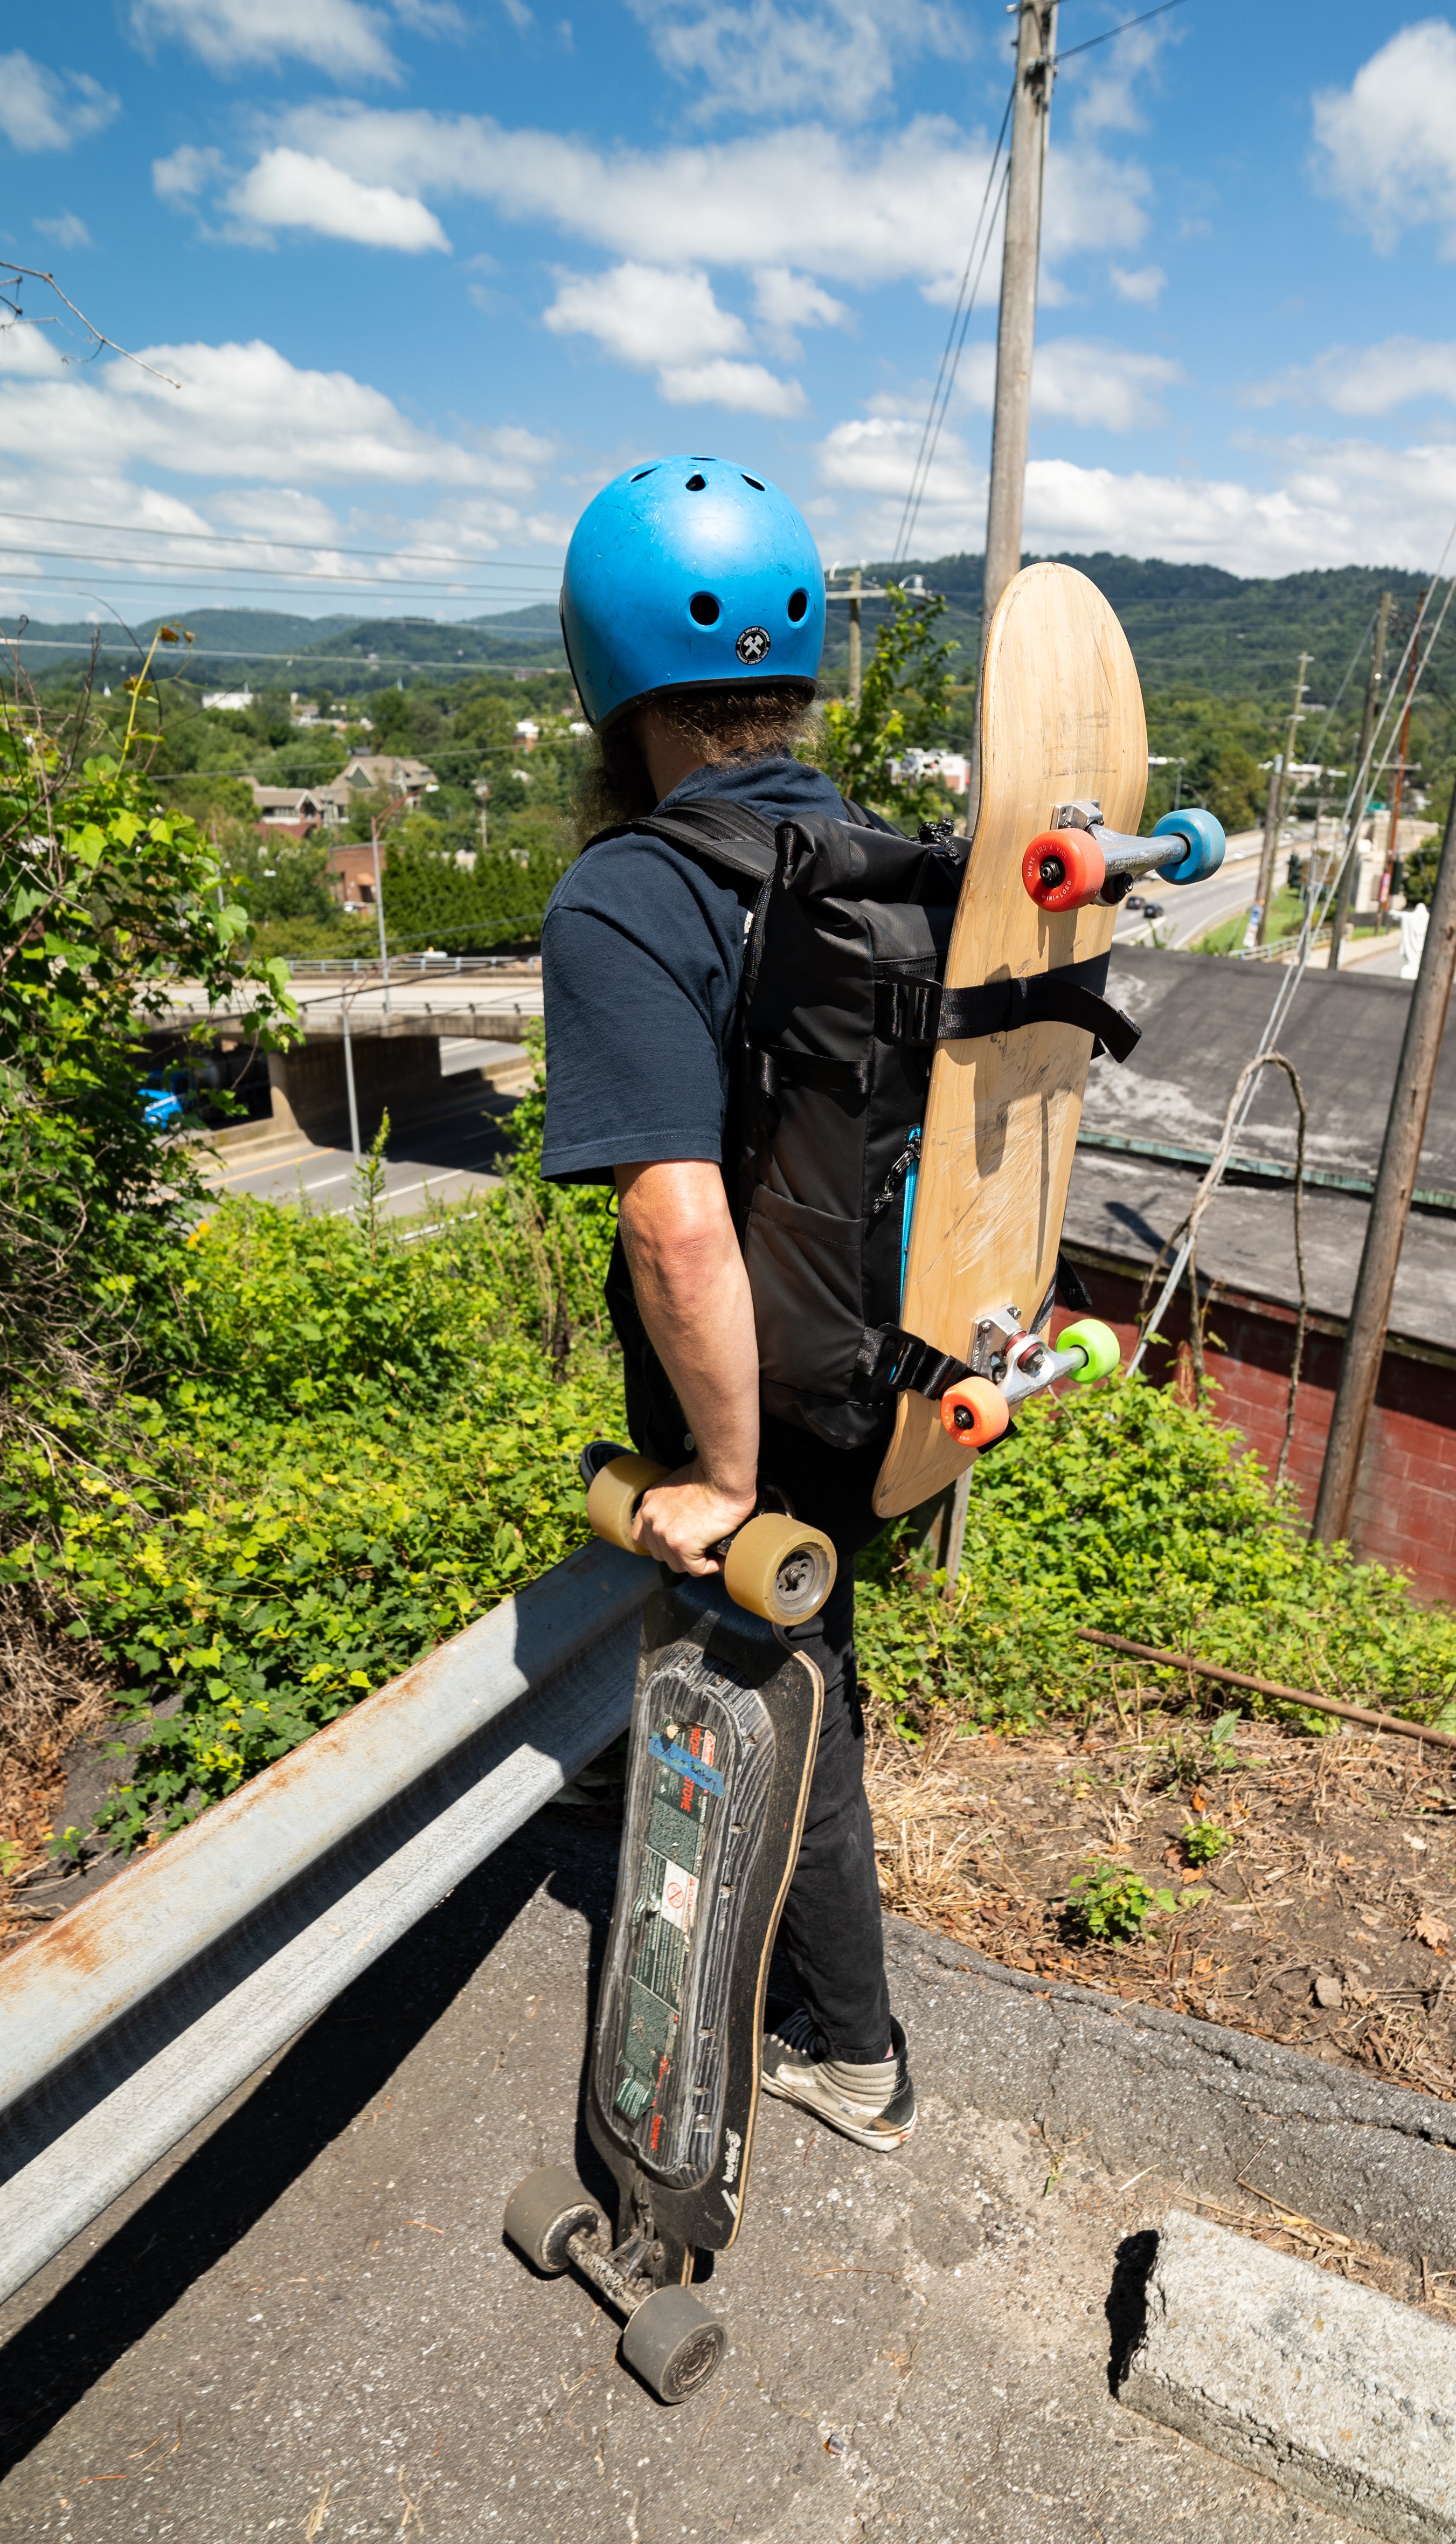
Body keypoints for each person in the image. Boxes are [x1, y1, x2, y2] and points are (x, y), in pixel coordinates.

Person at [538, 454, 913, 2153]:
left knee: (782, 1677)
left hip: (751, 1400)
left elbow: (679, 1226)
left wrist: (723, 1469)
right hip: (885, 1361)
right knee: (808, 1655)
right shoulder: (886, 861)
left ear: (606, 680)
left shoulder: (634, 889)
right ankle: (788, 1972)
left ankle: (852, 2051)